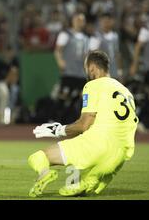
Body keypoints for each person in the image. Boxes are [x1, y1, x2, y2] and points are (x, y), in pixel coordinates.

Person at [28, 50, 138, 197]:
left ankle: (44, 173)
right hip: (120, 155)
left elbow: (83, 125)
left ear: (92, 68)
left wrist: (58, 130)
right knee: (83, 185)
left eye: (86, 69)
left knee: (39, 157)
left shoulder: (92, 85)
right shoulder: (125, 91)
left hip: (97, 146)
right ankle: (88, 182)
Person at [53, 12, 89, 124]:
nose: (79, 22)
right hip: (69, 71)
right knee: (64, 96)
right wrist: (60, 61)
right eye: (77, 19)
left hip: (81, 73)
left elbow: (85, 55)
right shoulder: (66, 34)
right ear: (72, 20)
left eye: (82, 20)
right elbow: (57, 50)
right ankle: (55, 120)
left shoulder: (86, 38)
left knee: (80, 98)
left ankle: (72, 121)